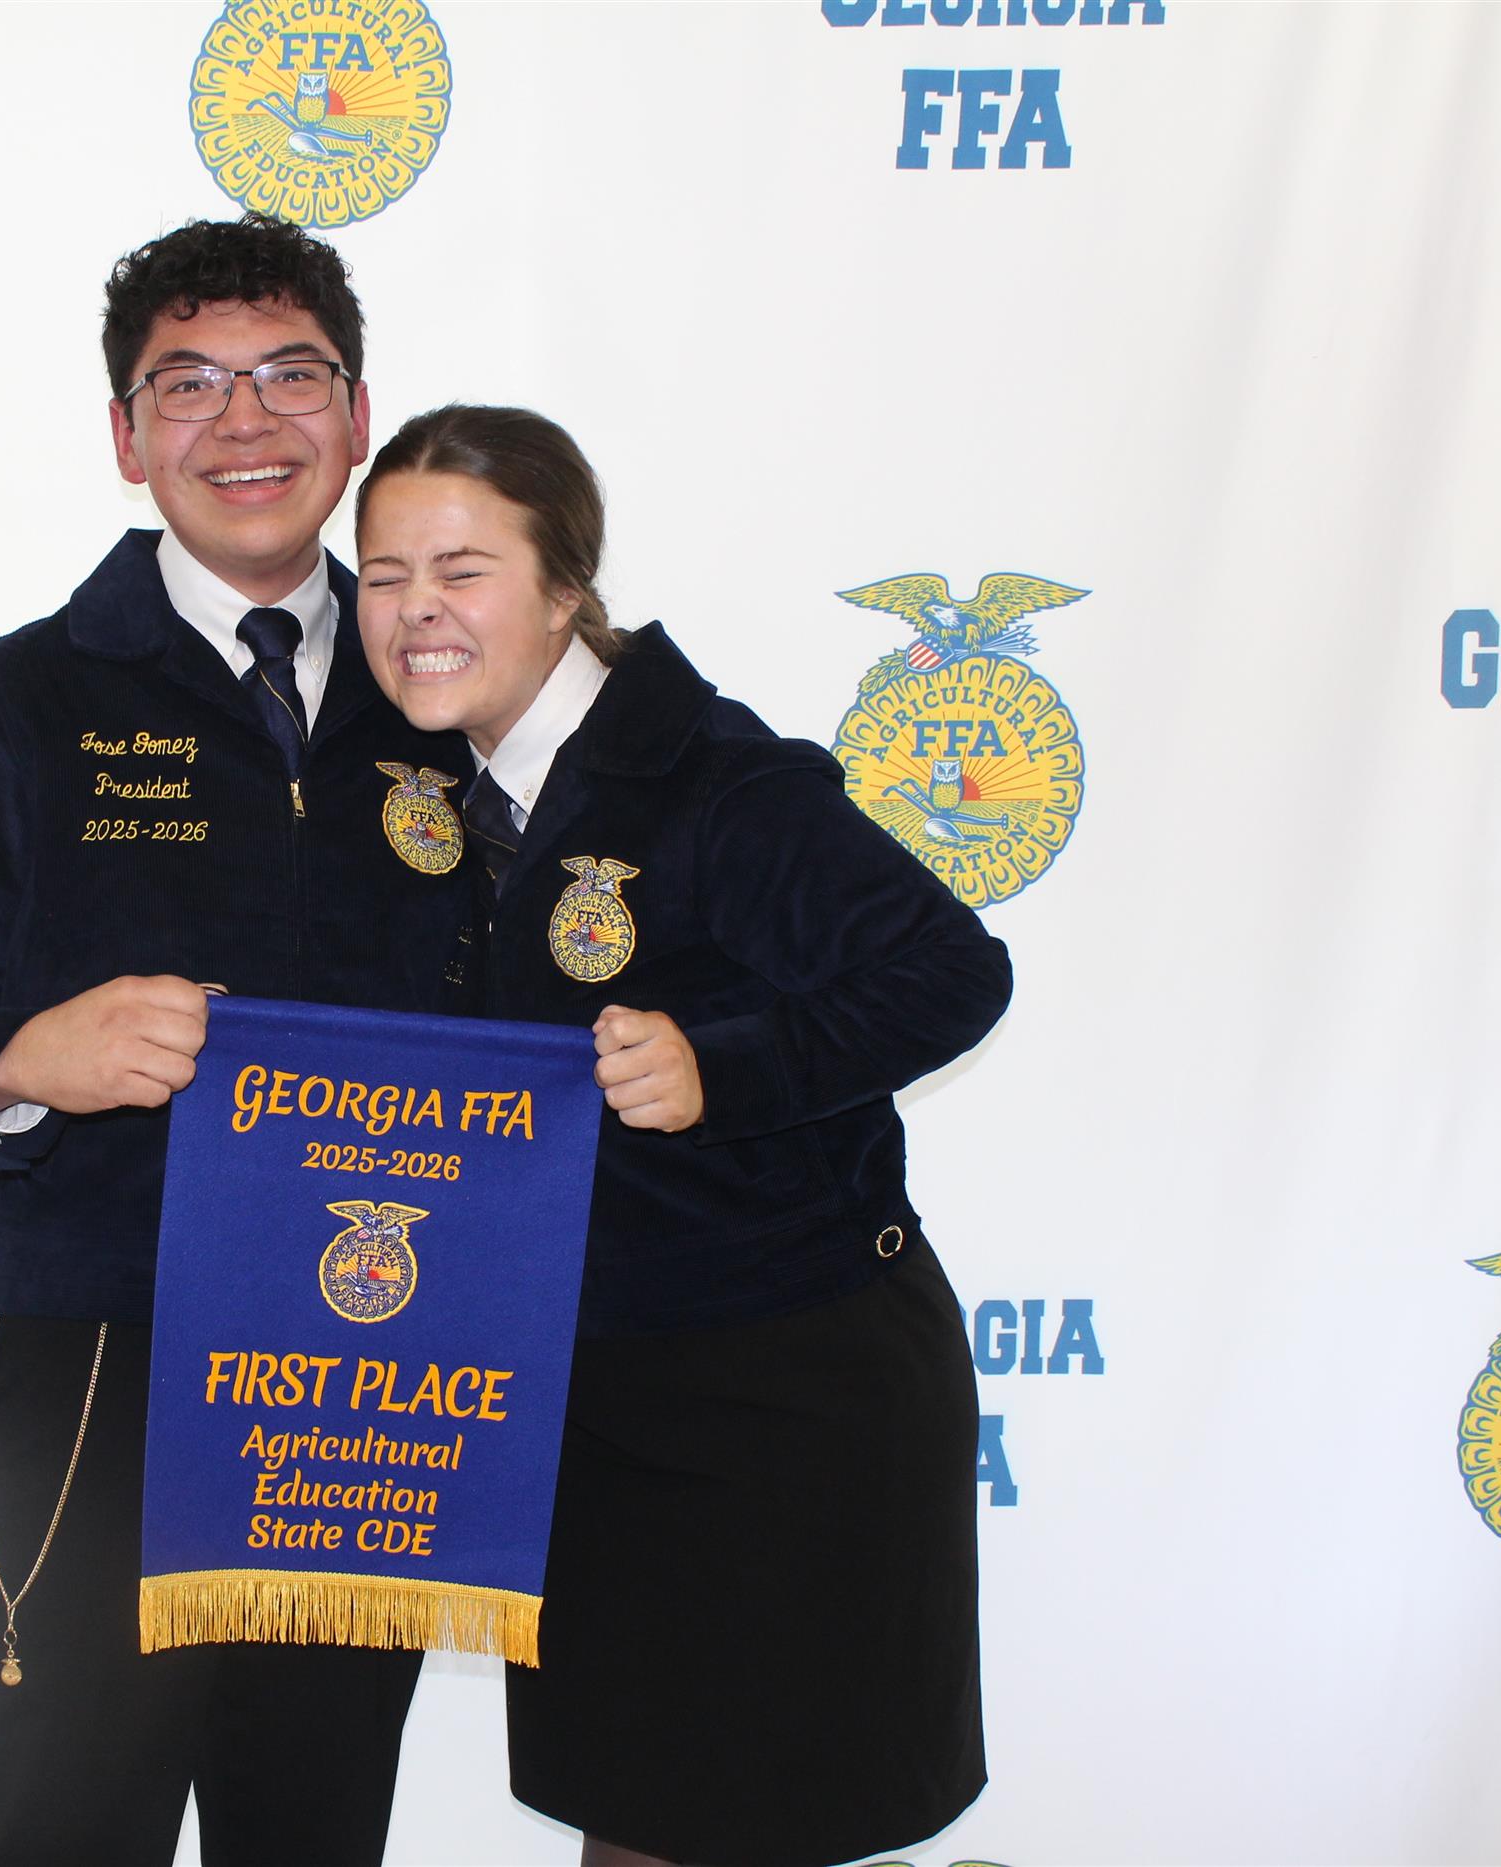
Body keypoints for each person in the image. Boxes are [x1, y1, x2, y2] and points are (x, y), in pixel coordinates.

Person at [0, 218, 472, 1867]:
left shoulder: (457, 695)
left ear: (357, 414)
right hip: (99, 1368)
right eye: (189, 385)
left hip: (365, 1370)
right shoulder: (29, 702)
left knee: (309, 1833)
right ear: (125, 436)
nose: (245, 421)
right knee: (52, 1830)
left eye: (289, 375)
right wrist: (25, 1059)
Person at [352, 405, 1012, 1867]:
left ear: (565, 590)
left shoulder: (719, 782)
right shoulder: (436, 791)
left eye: (462, 570)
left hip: (782, 1401)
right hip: (594, 1406)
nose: (415, 611)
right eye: (384, 576)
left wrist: (727, 1067)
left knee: (718, 1831)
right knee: (636, 1822)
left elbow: (952, 972)